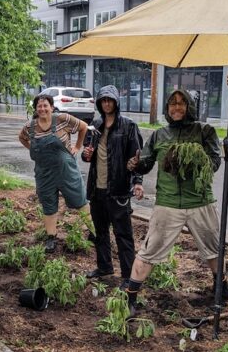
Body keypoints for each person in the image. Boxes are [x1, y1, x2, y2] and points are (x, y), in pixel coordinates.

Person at [124, 90, 228, 313]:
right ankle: (131, 298)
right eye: (172, 104)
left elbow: (214, 161)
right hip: (168, 202)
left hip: (200, 201)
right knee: (149, 249)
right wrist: (135, 164)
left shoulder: (204, 131)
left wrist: (194, 163)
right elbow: (145, 163)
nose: (177, 108)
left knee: (213, 248)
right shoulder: (159, 135)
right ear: (167, 108)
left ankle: (221, 287)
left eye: (182, 104)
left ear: (190, 107)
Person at [81, 86, 143, 288]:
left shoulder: (128, 126)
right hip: (97, 189)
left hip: (118, 190)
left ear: (116, 102)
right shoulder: (96, 124)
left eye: (110, 100)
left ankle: (128, 276)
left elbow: (137, 159)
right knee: (100, 232)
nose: (107, 104)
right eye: (103, 100)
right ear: (99, 103)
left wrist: (138, 183)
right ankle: (104, 266)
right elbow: (86, 154)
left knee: (123, 234)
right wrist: (86, 155)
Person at [18, 94, 89, 253]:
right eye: (39, 106)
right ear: (35, 109)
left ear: (51, 107)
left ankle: (93, 232)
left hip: (66, 171)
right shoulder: (30, 126)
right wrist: (31, 148)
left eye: (45, 105)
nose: (42, 109)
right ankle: (51, 237)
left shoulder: (62, 119)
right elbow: (21, 137)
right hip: (44, 173)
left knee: (80, 199)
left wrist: (78, 146)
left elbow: (84, 126)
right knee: (48, 204)